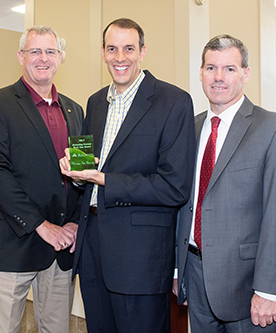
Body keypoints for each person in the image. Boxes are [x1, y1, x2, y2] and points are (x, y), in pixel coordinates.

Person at [59, 18, 196, 332]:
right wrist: (75, 173)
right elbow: (87, 171)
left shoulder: (173, 102)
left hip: (141, 255)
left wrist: (104, 179)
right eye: (112, 49)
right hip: (92, 248)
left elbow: (174, 187)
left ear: (143, 52)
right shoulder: (94, 103)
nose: (120, 57)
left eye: (129, 48)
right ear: (104, 53)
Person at [173, 34, 276, 332]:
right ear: (201, 73)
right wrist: (179, 268)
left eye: (229, 69)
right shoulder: (189, 128)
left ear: (245, 74)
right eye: (210, 68)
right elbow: (185, 202)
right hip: (196, 277)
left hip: (251, 289)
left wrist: (269, 291)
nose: (218, 77)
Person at [0, 25, 84, 333]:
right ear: (21, 56)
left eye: (50, 51)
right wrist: (41, 226)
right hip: (13, 244)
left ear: (61, 57)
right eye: (34, 51)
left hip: (61, 249)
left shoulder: (74, 111)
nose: (43, 58)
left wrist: (75, 222)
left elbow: (82, 174)